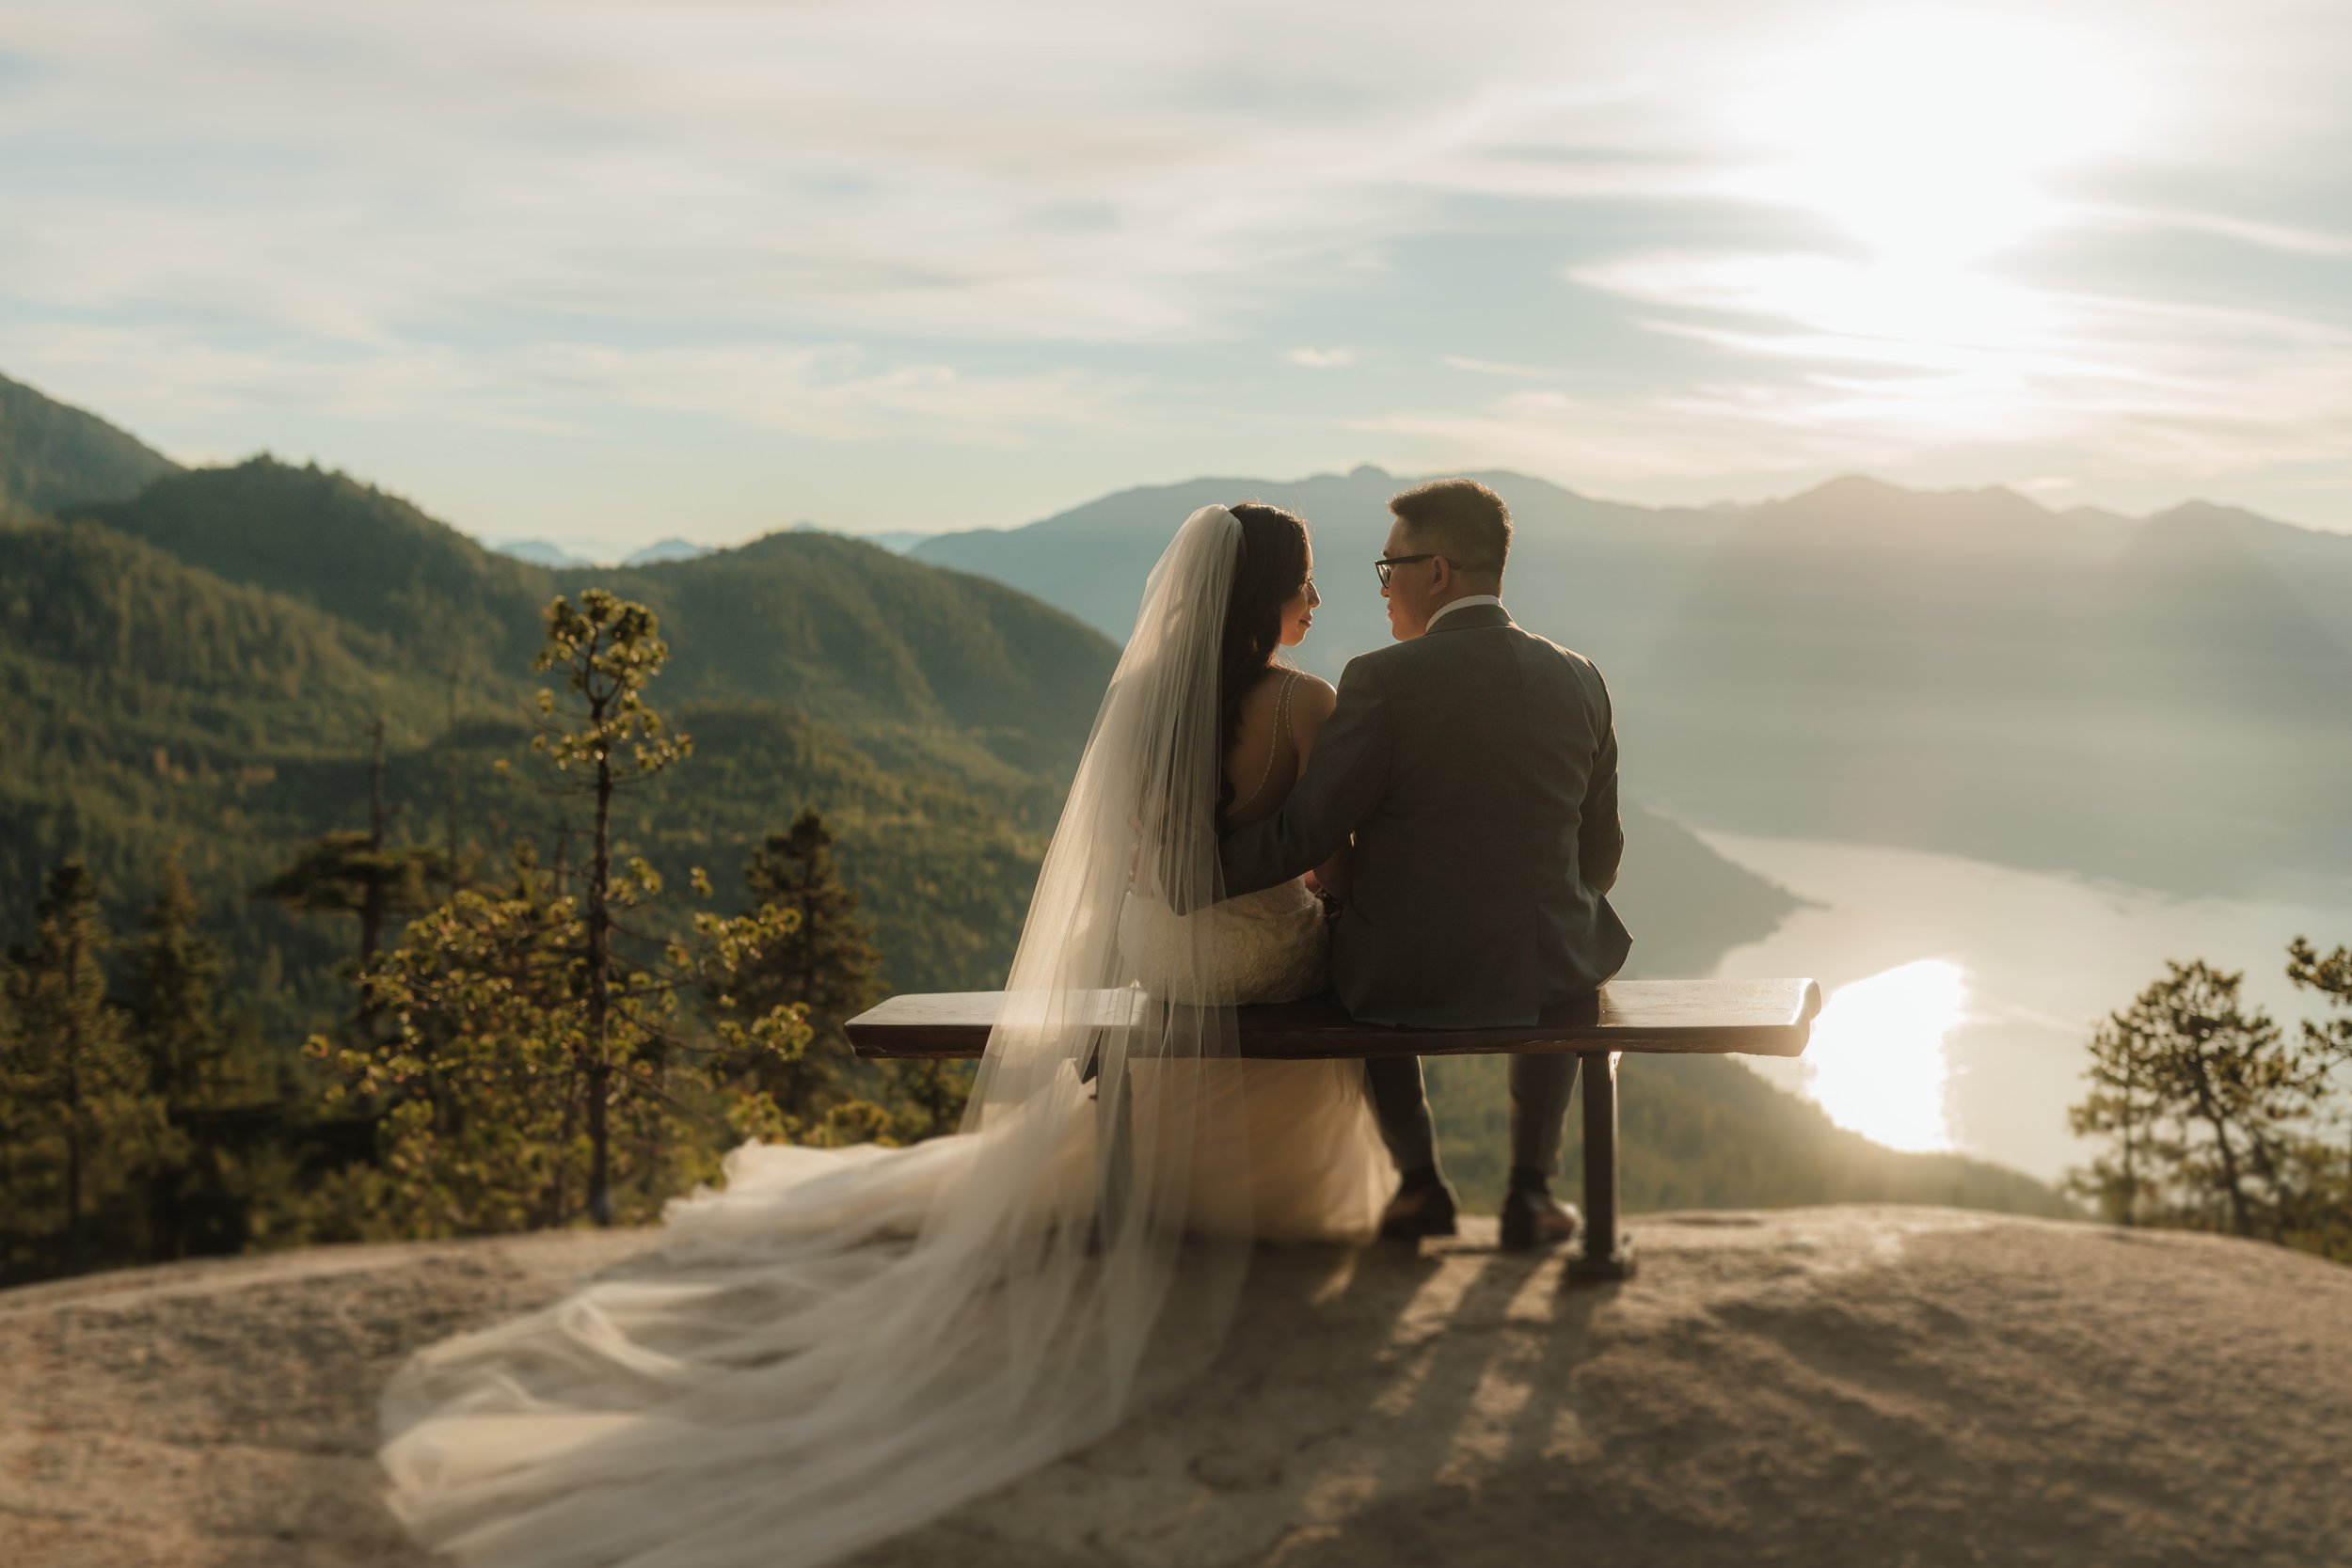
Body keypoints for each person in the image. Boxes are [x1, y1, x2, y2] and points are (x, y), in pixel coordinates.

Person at [376, 501, 1389, 1568]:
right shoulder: (1305, 700)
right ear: (1262, 595)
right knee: (1321, 947)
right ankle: (1265, 1191)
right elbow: (1330, 854)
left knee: (1238, 956)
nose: (1315, 602)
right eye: (1306, 581)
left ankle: (1188, 1178)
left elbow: (1130, 855)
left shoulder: (1142, 698)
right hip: (1253, 957)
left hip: (1161, 949)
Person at [1219, 477, 1631, 1249]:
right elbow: (1601, 853)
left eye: (1389, 568)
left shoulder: (1380, 679)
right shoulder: (1581, 678)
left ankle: (1417, 1184)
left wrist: (1193, 873)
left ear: (1436, 571)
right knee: (1573, 976)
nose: (1383, 590)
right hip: (1545, 966)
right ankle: (1531, 1193)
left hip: (1399, 977)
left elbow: (1306, 832)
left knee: (1352, 945)